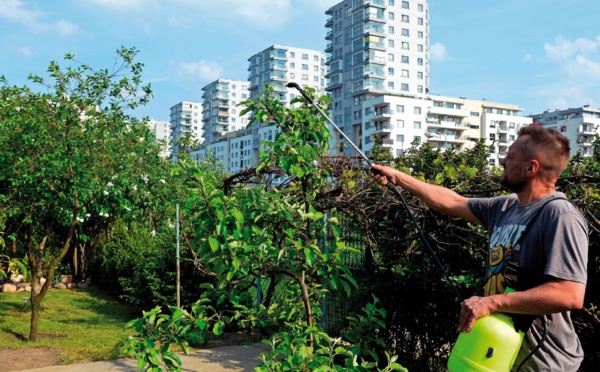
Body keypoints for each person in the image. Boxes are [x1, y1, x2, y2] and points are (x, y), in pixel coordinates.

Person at [371, 125, 588, 371]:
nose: (503, 162)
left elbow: (569, 294)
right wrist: (397, 177)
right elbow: (451, 201)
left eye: (510, 156)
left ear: (531, 168)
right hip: (498, 354)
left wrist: (491, 303)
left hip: (545, 362)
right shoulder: (505, 207)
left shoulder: (559, 215)